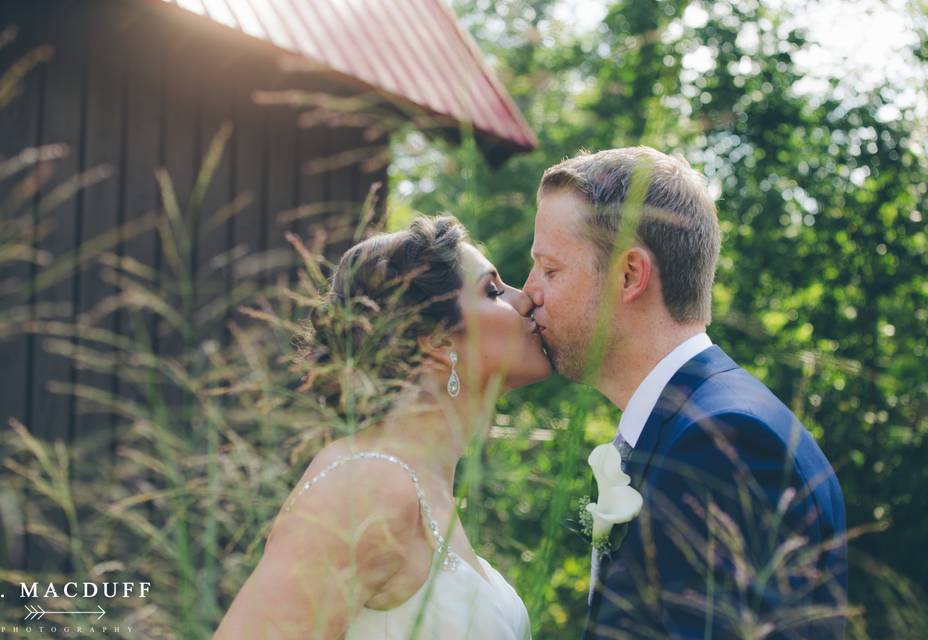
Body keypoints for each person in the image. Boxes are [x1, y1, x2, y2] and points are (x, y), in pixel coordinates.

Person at [523, 147, 848, 639]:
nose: (529, 293)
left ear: (629, 275)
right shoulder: (689, 421)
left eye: (549, 269)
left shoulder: (724, 441)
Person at [214, 215, 547, 639]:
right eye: (493, 291)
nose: (526, 300)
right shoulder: (369, 484)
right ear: (438, 340)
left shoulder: (425, 484)